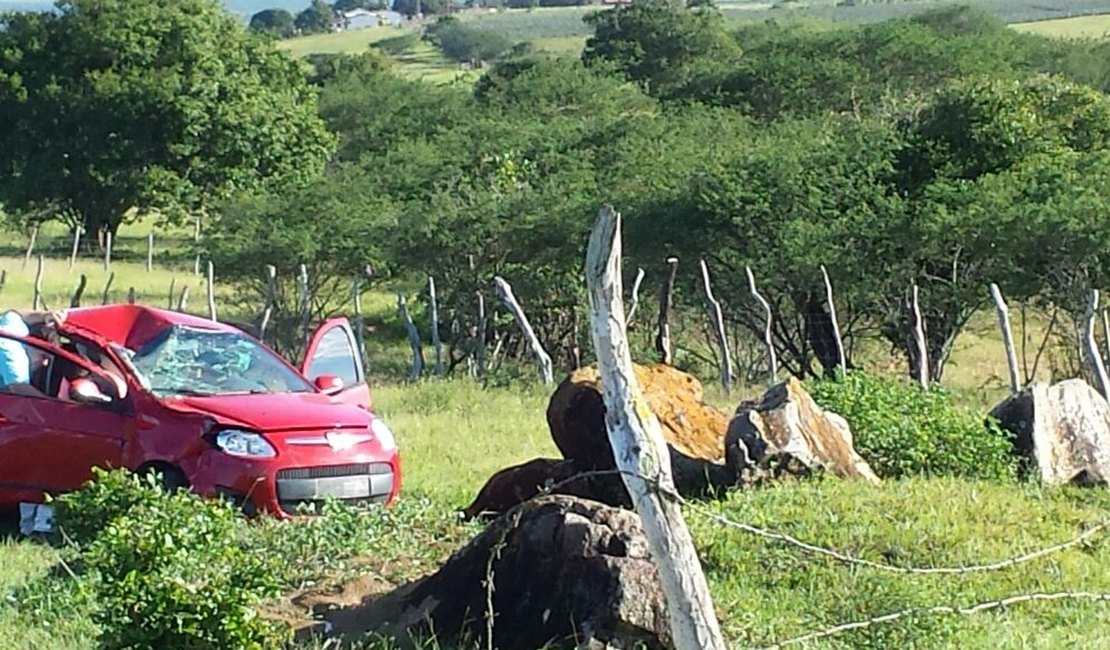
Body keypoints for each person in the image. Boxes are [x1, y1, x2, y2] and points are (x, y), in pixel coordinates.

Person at [0, 310, 31, 388]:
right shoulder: (12, 353)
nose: (45, 363)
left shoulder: (13, 323)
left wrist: (44, 316)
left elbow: (12, 314)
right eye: (44, 357)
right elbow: (19, 388)